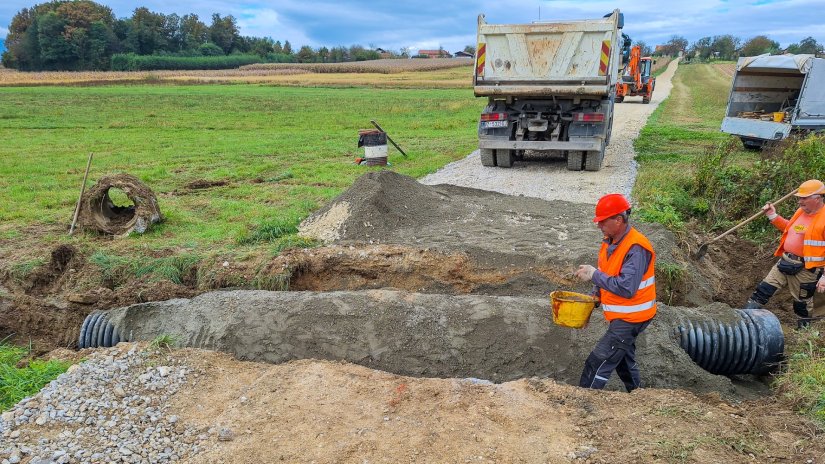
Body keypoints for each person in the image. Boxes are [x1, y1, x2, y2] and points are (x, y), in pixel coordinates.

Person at [574, 193, 656, 392]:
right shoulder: (610, 242)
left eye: (602, 221)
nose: (598, 226)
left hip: (632, 317)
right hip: (623, 315)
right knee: (623, 360)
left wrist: (594, 275)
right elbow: (606, 273)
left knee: (598, 361)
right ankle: (638, 394)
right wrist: (593, 301)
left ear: (618, 220)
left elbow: (626, 288)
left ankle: (582, 403)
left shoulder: (636, 248)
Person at [745, 179, 825, 328]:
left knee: (801, 305)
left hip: (807, 270)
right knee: (763, 291)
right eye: (799, 198)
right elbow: (791, 229)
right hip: (786, 261)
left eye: (804, 198)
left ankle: (804, 334)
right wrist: (772, 216)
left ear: (817, 198)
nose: (800, 202)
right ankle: (742, 321)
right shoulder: (801, 212)